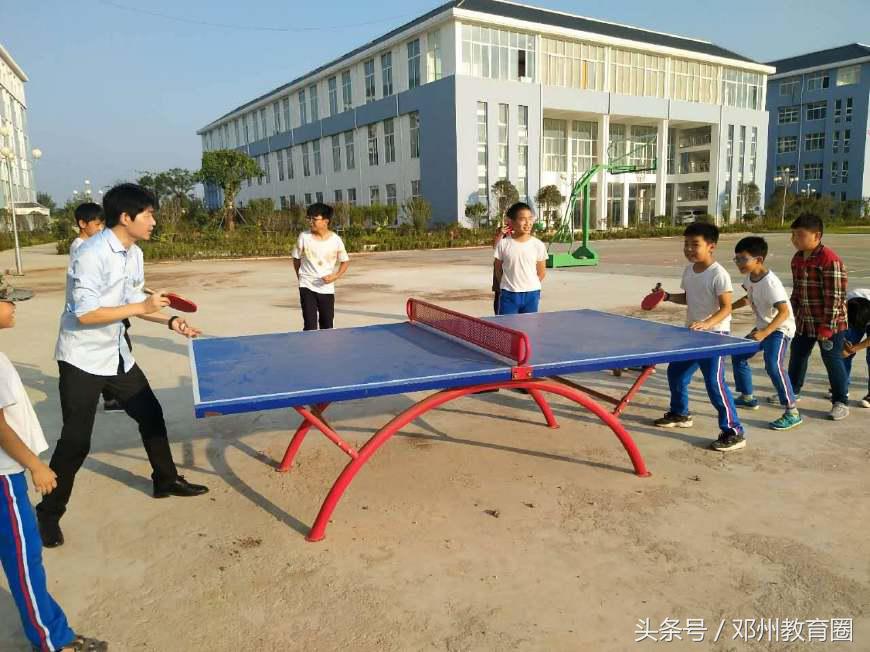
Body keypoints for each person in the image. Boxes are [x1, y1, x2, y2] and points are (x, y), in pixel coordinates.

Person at [37, 183, 209, 549]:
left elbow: (132, 298)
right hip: (82, 359)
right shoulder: (89, 254)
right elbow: (84, 314)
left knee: (150, 413)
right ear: (125, 217)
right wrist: (142, 309)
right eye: (147, 214)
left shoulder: (134, 254)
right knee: (76, 442)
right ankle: (48, 513)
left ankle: (165, 479)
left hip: (116, 355)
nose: (154, 220)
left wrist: (169, 321)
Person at [0, 277, 108, 652]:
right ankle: (53, 642)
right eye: (6, 300)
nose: (13, 307)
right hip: (4, 477)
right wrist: (35, 465)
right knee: (25, 563)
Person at [648, 222, 745, 452]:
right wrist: (668, 296)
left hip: (715, 336)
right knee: (676, 373)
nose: (689, 249)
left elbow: (726, 307)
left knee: (715, 384)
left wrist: (707, 324)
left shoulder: (719, 274)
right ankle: (681, 414)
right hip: (693, 333)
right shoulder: (689, 270)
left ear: (711, 246)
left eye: (695, 244)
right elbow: (690, 298)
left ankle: (734, 431)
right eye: (686, 244)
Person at [728, 236, 801, 431]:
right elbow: (747, 298)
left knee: (773, 365)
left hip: (779, 329)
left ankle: (792, 411)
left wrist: (765, 332)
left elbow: (784, 312)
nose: (738, 263)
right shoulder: (750, 276)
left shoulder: (771, 283)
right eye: (736, 259)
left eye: (743, 259)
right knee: (738, 355)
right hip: (763, 327)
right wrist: (728, 308)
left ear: (758, 260)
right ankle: (747, 397)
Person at [786, 213, 850, 420]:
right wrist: (790, 314)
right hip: (804, 321)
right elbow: (797, 291)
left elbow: (836, 297)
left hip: (828, 323)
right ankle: (793, 391)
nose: (795, 239)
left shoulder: (829, 260)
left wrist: (827, 327)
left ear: (817, 236)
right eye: (793, 235)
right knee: (798, 355)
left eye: (800, 235)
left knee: (832, 360)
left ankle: (841, 401)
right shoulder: (797, 258)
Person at [69, 203, 126, 413]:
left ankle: (111, 397)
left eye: (103, 224)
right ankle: (111, 399)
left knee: (120, 352)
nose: (101, 228)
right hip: (99, 315)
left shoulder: (95, 247)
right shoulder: (82, 249)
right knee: (117, 355)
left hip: (110, 312)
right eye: (97, 224)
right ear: (82, 224)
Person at [291, 202, 350, 331]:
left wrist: (335, 276)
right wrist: (300, 277)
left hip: (327, 288)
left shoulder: (336, 240)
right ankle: (309, 350)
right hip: (307, 285)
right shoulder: (304, 237)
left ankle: (326, 350)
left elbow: (345, 261)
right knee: (310, 325)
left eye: (314, 219)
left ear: (326, 221)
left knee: (327, 325)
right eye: (309, 218)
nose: (310, 222)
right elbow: (296, 259)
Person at [493, 202, 547, 315]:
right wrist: (506, 285)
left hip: (532, 294)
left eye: (530, 218)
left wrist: (529, 285)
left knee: (529, 328)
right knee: (507, 329)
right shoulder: (503, 244)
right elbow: (497, 269)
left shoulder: (538, 245)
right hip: (509, 295)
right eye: (522, 219)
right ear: (511, 222)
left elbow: (541, 272)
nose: (528, 223)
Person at [844, 288, 870, 408]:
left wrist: (855, 348)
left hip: (865, 313)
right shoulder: (842, 304)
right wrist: (844, 342)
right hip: (851, 315)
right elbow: (835, 326)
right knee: (843, 353)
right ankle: (841, 386)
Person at [491, 221, 511, 314]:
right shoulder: (501, 231)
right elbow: (495, 246)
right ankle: (497, 316)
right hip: (500, 265)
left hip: (512, 267)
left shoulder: (518, 231)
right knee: (498, 293)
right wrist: (501, 234)